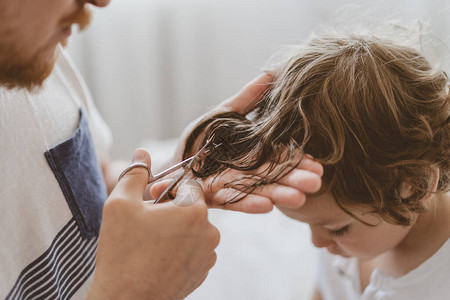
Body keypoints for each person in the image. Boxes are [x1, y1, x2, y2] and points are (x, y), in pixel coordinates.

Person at [0, 0, 323, 299]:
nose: (101, 2)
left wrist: (175, 170)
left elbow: (87, 191)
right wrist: (135, 291)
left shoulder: (36, 58)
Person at [182, 30, 450, 299]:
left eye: (337, 229)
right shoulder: (346, 239)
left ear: (415, 185)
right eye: (311, 225)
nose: (317, 242)